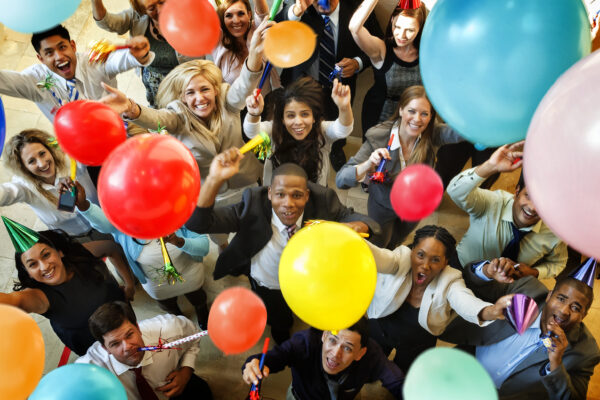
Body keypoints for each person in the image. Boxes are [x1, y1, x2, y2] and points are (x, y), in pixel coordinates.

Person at [185, 149, 380, 344]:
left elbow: (367, 222)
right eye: (280, 195)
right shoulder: (251, 203)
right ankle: (281, 330)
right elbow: (197, 224)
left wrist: (356, 226)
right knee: (278, 318)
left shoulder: (324, 202)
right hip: (268, 282)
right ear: (269, 193)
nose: (288, 204)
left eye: (297, 195)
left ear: (307, 195)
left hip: (308, 280)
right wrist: (213, 180)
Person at [440, 260, 600, 399]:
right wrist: (487, 271)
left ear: (584, 315)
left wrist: (556, 364)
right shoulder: (526, 289)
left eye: (575, 307)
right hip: (463, 367)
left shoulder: (586, 352)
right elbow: (472, 281)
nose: (565, 311)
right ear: (549, 295)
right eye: (561, 299)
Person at [366, 225, 511, 372]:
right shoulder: (401, 258)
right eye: (420, 255)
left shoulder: (451, 279)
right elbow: (378, 256)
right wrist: (352, 237)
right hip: (379, 328)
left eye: (435, 260)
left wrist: (491, 311)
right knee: (368, 367)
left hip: (417, 344)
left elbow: (466, 302)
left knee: (403, 379)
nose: (425, 266)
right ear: (412, 251)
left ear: (445, 263)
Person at [68, 180, 211, 329]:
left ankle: (202, 311)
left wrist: (180, 242)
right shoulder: (124, 225)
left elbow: (204, 247)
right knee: (169, 306)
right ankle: (178, 318)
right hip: (157, 285)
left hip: (191, 276)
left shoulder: (179, 212)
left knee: (198, 297)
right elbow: (105, 223)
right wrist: (84, 206)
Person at [336, 85, 462, 249]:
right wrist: (367, 164)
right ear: (401, 110)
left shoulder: (432, 134)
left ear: (431, 117)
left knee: (396, 241)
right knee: (379, 243)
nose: (417, 119)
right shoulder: (378, 137)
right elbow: (341, 180)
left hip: (414, 208)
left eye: (424, 113)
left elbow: (463, 132)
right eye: (412, 111)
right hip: (383, 205)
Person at [277, 0, 384, 170]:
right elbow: (276, 30)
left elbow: (379, 43)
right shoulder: (299, 6)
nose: (323, 4)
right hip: (302, 85)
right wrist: (297, 10)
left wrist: (358, 63)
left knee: (338, 123)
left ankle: (336, 149)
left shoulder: (358, 7)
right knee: (300, 124)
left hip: (340, 87)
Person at [0, 220, 134, 355]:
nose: (44, 266)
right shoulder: (38, 297)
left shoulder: (79, 255)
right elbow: (11, 302)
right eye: (33, 264)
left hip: (124, 322)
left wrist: (129, 284)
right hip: (97, 350)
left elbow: (110, 247)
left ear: (59, 252)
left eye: (46, 255)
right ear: (28, 273)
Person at [447, 141, 568, 279]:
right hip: (460, 270)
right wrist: (490, 166)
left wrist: (534, 272)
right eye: (528, 196)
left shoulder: (555, 233)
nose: (533, 208)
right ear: (516, 191)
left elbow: (558, 263)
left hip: (503, 290)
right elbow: (455, 191)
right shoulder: (492, 202)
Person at [0, 24, 154, 122]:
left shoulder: (93, 61)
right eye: (49, 53)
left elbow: (121, 60)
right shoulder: (36, 80)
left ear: (72, 45)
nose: (59, 56)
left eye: (62, 47)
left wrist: (139, 54)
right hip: (81, 151)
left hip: (118, 129)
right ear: (40, 59)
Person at [77, 301, 213, 400]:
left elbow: (194, 336)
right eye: (115, 343)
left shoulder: (169, 329)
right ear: (105, 348)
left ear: (138, 327)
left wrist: (187, 371)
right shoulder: (88, 371)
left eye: (129, 335)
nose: (127, 347)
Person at [242, 318, 404, 399]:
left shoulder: (371, 354)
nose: (335, 353)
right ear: (324, 336)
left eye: (347, 348)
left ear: (360, 353)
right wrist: (252, 365)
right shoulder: (304, 342)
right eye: (333, 340)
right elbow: (272, 358)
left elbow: (397, 381)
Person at [244, 76, 352, 186]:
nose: (298, 121)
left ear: (314, 117)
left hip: (314, 197)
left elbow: (343, 130)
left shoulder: (322, 131)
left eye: (305, 114)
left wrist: (344, 107)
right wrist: (254, 113)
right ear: (282, 119)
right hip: (277, 197)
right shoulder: (274, 130)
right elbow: (252, 132)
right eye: (290, 115)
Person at [91, 0, 197, 107]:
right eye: (151, 8)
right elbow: (107, 22)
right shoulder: (136, 16)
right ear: (143, 10)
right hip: (153, 85)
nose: (161, 10)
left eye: (162, 2)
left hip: (184, 84)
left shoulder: (188, 15)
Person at [1, 129, 99, 239]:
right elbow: (6, 193)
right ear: (23, 168)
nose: (42, 164)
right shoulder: (25, 187)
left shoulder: (71, 160)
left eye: (42, 154)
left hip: (105, 220)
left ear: (50, 150)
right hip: (73, 240)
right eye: (31, 161)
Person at [349, 0, 427, 132]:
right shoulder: (381, 50)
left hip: (413, 121)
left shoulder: (427, 54)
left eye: (410, 30)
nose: (401, 35)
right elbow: (354, 28)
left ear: (420, 29)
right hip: (380, 118)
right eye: (397, 27)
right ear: (391, 20)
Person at [214, 0, 279, 91]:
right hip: (235, 104)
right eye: (229, 15)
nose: (236, 20)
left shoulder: (256, 30)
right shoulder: (219, 41)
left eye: (240, 14)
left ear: (249, 14)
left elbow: (263, 15)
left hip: (265, 101)